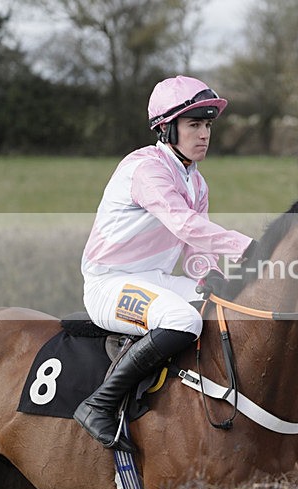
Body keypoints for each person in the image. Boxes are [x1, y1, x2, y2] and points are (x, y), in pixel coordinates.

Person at [74, 75, 255, 452]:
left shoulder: (197, 182)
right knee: (184, 320)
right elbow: (185, 223)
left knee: (224, 307)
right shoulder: (147, 169)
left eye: (207, 124)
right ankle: (99, 405)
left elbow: (194, 250)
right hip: (109, 283)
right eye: (194, 124)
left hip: (153, 278)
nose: (204, 133)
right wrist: (249, 248)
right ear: (167, 128)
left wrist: (214, 277)